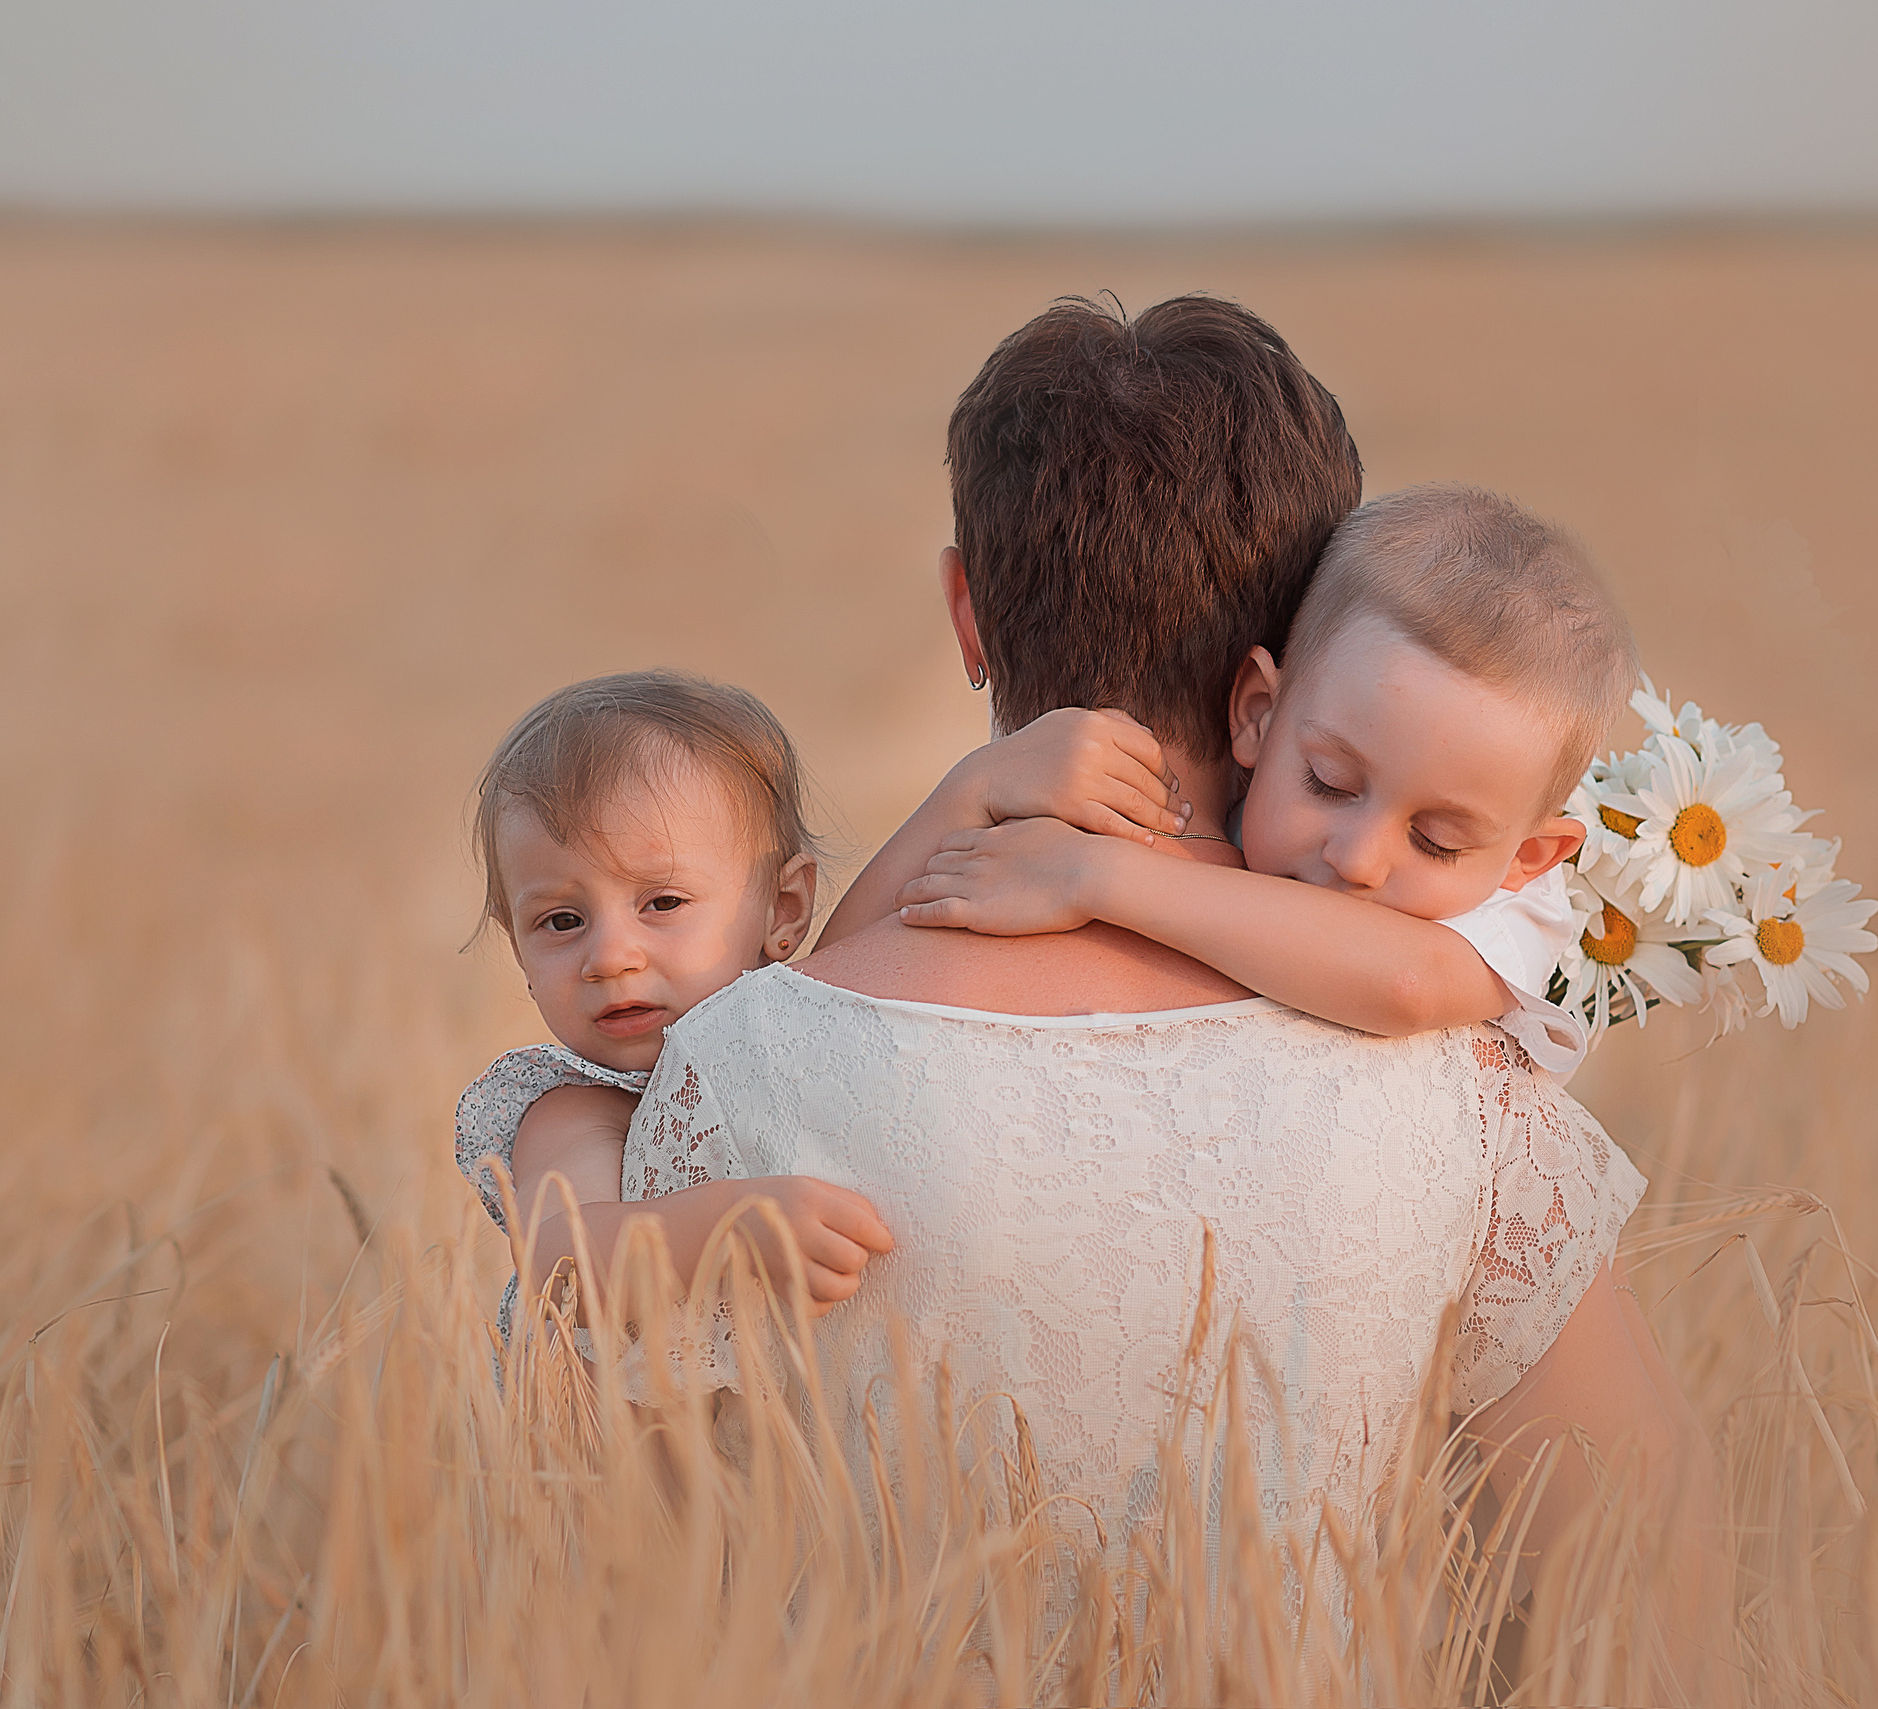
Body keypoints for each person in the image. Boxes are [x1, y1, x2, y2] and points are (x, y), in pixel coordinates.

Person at [610, 296, 1725, 1665]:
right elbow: (1645, 1555)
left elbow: (634, 1588)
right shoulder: (1455, 1082)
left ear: (967, 611)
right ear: (1280, 653)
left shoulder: (736, 1065)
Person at [864, 482, 1622, 1079]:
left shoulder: (1514, 913)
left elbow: (1408, 985)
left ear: (1530, 857)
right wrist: (972, 789)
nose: (1358, 859)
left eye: (1436, 841)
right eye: (1328, 782)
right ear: (1257, 714)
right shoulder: (1213, 807)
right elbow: (826, 981)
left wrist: (1091, 876)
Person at [448, 670, 897, 1339]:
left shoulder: (789, 1028)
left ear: (784, 909)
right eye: (563, 921)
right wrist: (733, 1227)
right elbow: (560, 1266)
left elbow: (878, 932)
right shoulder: (580, 1106)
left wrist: (972, 791)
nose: (610, 957)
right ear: (517, 947)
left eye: (662, 903)